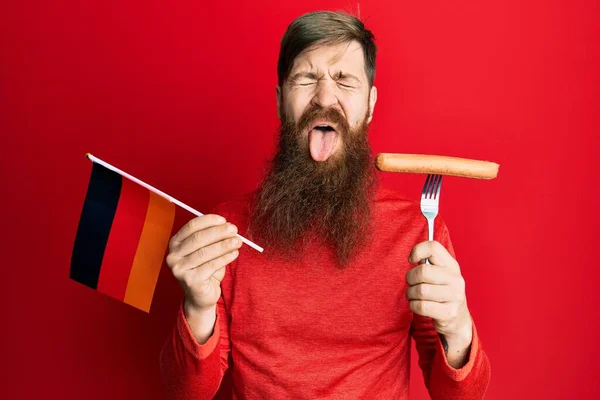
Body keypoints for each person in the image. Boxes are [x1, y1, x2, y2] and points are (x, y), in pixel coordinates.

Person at [160, 10, 491, 399]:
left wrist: (457, 325)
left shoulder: (417, 232)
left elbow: (461, 396)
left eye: (344, 80)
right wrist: (197, 307)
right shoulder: (225, 231)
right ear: (281, 100)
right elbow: (185, 392)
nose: (324, 97)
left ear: (369, 104)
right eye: (306, 78)